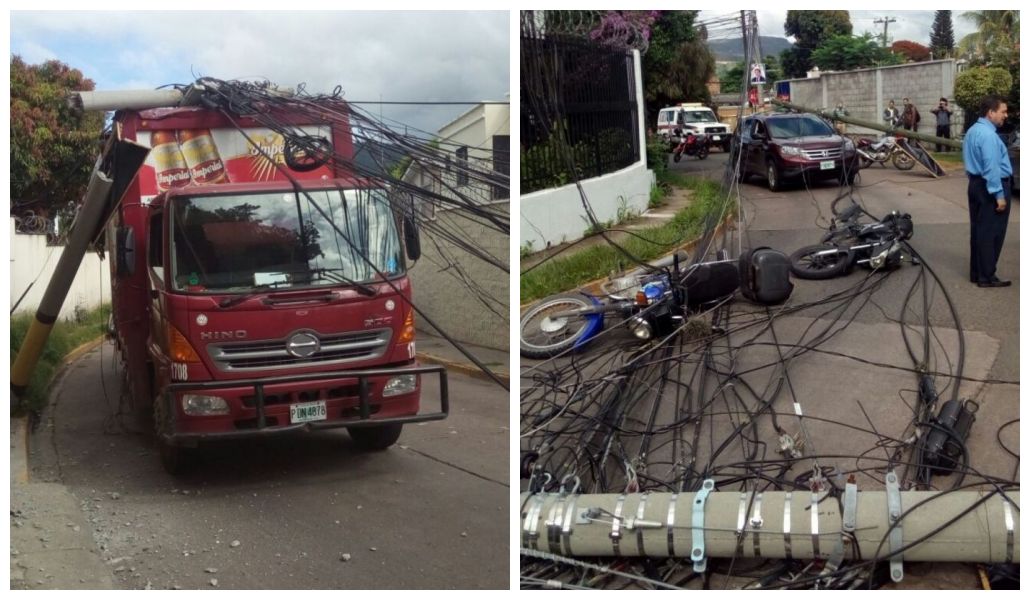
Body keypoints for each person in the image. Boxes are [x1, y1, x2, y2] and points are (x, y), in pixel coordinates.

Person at [962, 94, 1013, 288]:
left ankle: (977, 273)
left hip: (976, 185)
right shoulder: (989, 135)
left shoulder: (973, 131)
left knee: (979, 231)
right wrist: (999, 195)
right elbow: (991, 168)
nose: (1005, 115)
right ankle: (987, 276)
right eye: (1003, 111)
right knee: (992, 233)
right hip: (991, 187)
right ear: (991, 113)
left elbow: (969, 160)